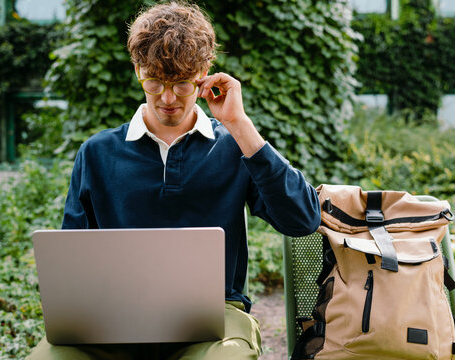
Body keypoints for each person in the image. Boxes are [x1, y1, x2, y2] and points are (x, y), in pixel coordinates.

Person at [27, 1, 320, 359]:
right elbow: (70, 263)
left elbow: (303, 220)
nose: (167, 99)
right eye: (154, 81)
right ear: (137, 69)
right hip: (112, 320)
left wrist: (240, 125)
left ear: (204, 73)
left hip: (213, 320)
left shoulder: (234, 147)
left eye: (182, 84)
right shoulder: (97, 152)